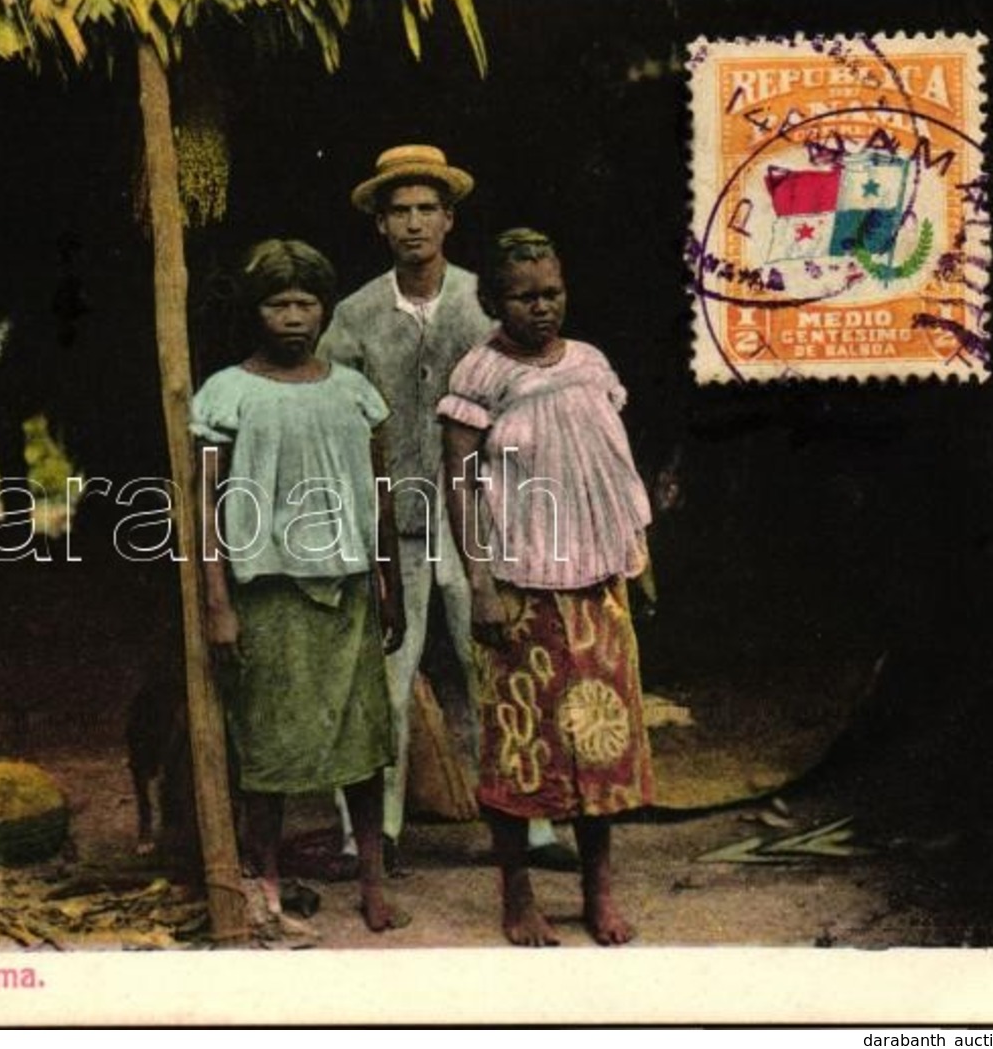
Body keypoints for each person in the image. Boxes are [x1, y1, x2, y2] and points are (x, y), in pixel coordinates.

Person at [319, 144, 574, 875]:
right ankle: (368, 834)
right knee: (384, 682)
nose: (412, 224)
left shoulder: (484, 300)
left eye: (426, 208)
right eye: (397, 210)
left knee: (496, 665)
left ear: (448, 218)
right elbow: (340, 416)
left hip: (481, 521)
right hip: (393, 521)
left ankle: (530, 827)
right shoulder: (355, 313)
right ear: (379, 223)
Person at [440, 228, 656, 946]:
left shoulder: (590, 363)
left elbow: (609, 466)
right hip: (519, 582)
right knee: (522, 743)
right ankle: (517, 894)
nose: (541, 308)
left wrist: (634, 549)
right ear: (493, 301)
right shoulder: (479, 374)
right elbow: (462, 485)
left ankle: (598, 888)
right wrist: (478, 582)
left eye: (551, 292)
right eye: (523, 296)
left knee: (600, 736)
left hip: (595, 580)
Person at [192, 239, 408, 933]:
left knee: (361, 741)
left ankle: (373, 877)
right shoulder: (226, 392)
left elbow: (378, 491)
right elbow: (202, 505)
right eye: (277, 303)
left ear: (323, 309)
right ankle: (269, 879)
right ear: (255, 311)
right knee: (269, 749)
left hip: (346, 588)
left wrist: (388, 580)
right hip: (269, 591)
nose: (292, 317)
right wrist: (218, 602)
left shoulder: (352, 389)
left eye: (305, 303)